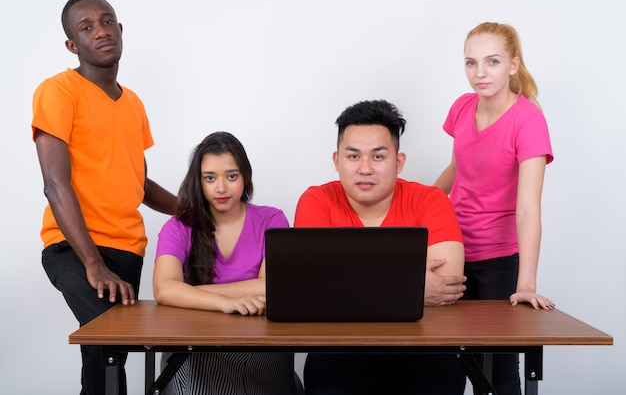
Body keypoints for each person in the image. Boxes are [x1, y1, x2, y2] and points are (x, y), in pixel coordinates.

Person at [32, 0, 178, 395]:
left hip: (127, 251)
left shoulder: (133, 104)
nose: (101, 31)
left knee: (107, 357)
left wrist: (191, 210)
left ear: (120, 29)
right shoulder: (58, 91)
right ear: (72, 44)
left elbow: (141, 184)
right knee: (107, 346)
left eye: (107, 20)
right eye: (86, 27)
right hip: (75, 249)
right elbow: (54, 183)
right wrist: (93, 264)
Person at [294, 100, 467, 395]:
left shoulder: (430, 201)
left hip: (424, 349)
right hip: (339, 351)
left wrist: (346, 281)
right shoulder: (316, 201)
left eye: (377, 156)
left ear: (398, 162)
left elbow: (446, 284)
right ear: (336, 160)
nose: (364, 168)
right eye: (353, 156)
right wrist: (409, 285)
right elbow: (313, 289)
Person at [434, 22, 555, 395]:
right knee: (445, 361)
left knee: (498, 371)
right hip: (452, 249)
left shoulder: (528, 120)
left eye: (492, 62)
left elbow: (529, 209)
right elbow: (456, 170)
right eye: (471, 63)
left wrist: (526, 285)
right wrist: (415, 213)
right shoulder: (461, 107)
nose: (480, 73)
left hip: (499, 258)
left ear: (513, 66)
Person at [153, 131, 302, 395]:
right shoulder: (178, 226)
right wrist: (226, 303)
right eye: (210, 178)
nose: (221, 188)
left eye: (231, 176)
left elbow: (272, 288)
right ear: (199, 182)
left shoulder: (272, 219)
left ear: (245, 177)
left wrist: (193, 293)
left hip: (262, 350)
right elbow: (164, 289)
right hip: (197, 348)